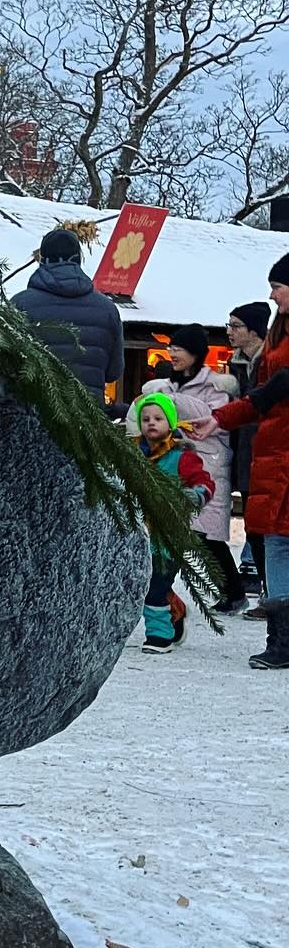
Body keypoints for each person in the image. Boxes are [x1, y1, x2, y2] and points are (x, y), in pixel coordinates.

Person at [212, 253, 289, 670]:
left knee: (277, 543)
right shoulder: (277, 335)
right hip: (273, 452)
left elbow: (274, 388)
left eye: (277, 286)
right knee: (275, 542)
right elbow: (263, 394)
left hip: (278, 451)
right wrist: (219, 419)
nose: (272, 295)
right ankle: (281, 640)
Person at [142, 323, 244, 614]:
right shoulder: (166, 385)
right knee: (173, 535)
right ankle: (162, 592)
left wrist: (169, 402)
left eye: (179, 349)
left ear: (196, 353)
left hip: (208, 467)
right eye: (170, 348)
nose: (172, 353)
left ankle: (232, 593)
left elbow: (213, 418)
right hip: (172, 464)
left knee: (206, 538)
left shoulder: (217, 386)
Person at [130, 392, 213, 655]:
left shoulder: (182, 456)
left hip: (168, 535)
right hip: (139, 531)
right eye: (145, 419)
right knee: (146, 584)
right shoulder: (134, 453)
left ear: (171, 423)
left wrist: (195, 495)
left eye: (158, 418)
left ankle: (159, 636)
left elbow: (204, 482)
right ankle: (175, 611)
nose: (151, 423)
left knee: (156, 585)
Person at [10, 228, 124, 405]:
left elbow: (6, 364)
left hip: (34, 409)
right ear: (78, 259)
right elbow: (113, 372)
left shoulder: (20, 304)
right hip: (88, 413)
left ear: (42, 260)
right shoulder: (107, 309)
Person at [227, 301, 271, 607]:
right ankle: (269, 593)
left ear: (253, 331)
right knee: (253, 527)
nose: (229, 331)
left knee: (269, 530)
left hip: (269, 453)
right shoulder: (237, 365)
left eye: (236, 326)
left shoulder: (270, 362)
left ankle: (274, 596)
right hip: (245, 454)